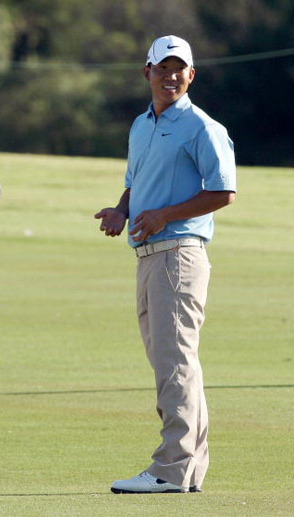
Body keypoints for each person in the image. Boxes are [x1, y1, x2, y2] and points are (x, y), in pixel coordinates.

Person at [95, 35, 236, 494]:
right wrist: (123, 210)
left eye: (180, 69)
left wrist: (163, 216)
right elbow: (135, 184)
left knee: (174, 365)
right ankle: (189, 470)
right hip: (149, 256)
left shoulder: (202, 126)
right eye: (162, 68)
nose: (170, 76)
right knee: (174, 364)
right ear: (147, 72)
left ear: (191, 75)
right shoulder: (141, 125)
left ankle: (169, 468)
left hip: (179, 254)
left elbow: (222, 192)